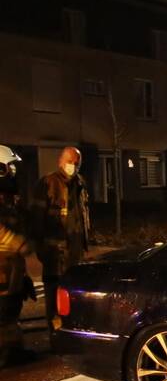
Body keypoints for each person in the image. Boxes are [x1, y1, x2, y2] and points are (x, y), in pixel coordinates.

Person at [31, 146, 89, 331]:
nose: (73, 166)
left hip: (75, 251)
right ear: (60, 162)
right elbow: (36, 218)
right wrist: (41, 248)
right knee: (53, 295)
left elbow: (82, 214)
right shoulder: (48, 183)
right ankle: (54, 332)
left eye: (76, 163)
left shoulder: (80, 183)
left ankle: (70, 329)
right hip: (54, 253)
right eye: (70, 162)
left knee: (72, 294)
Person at [0, 146, 34, 366]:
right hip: (2, 264)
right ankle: (7, 354)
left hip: (10, 265)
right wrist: (19, 243)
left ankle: (12, 351)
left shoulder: (7, 197)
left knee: (11, 309)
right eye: (10, 166)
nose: (13, 171)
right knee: (4, 312)